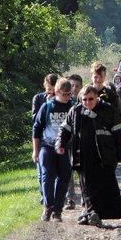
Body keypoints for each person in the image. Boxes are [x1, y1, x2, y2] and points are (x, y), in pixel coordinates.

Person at [56, 85, 121, 227]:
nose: (87, 102)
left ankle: (97, 212)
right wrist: (60, 144)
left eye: (91, 99)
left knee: (103, 185)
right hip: (82, 154)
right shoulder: (75, 111)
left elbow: (119, 133)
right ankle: (90, 212)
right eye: (84, 99)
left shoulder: (108, 110)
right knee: (86, 186)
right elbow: (64, 129)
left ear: (97, 97)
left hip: (104, 155)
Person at [33, 78, 75, 222]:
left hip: (66, 148)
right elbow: (37, 128)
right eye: (64, 94)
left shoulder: (73, 107)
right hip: (48, 147)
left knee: (64, 179)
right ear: (57, 92)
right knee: (47, 177)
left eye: (69, 94)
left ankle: (57, 210)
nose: (67, 97)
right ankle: (47, 206)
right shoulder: (47, 107)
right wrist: (35, 150)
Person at [64, 74, 84, 210]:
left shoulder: (85, 101)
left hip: (82, 141)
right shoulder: (65, 102)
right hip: (68, 141)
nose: (74, 88)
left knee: (82, 171)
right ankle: (70, 198)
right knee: (68, 171)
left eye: (77, 86)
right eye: (72, 85)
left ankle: (84, 198)